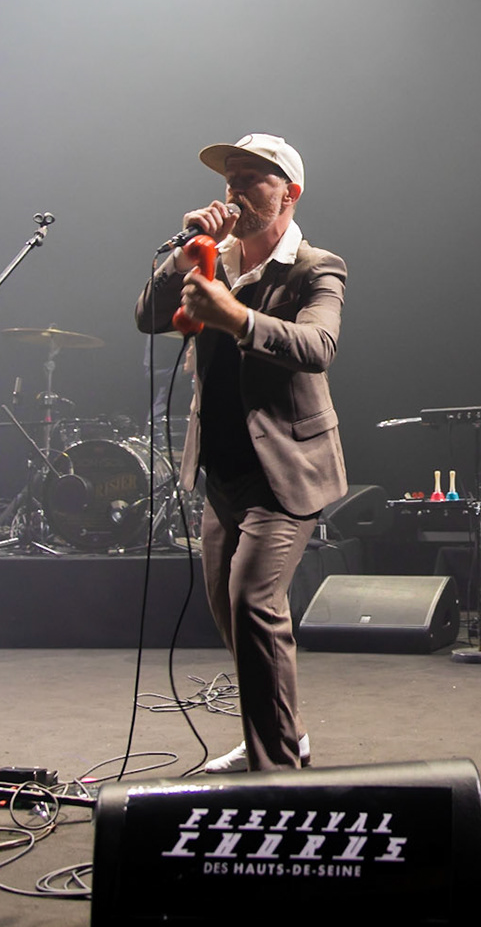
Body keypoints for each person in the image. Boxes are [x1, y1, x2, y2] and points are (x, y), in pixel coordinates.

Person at [134, 133, 346, 771]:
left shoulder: (316, 267)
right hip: (221, 467)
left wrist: (236, 318)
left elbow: (318, 347)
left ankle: (276, 774)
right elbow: (147, 316)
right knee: (229, 609)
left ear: (290, 193)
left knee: (254, 602)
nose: (237, 188)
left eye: (256, 177)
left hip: (286, 473)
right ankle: (287, 735)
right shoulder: (211, 258)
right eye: (233, 176)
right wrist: (181, 261)